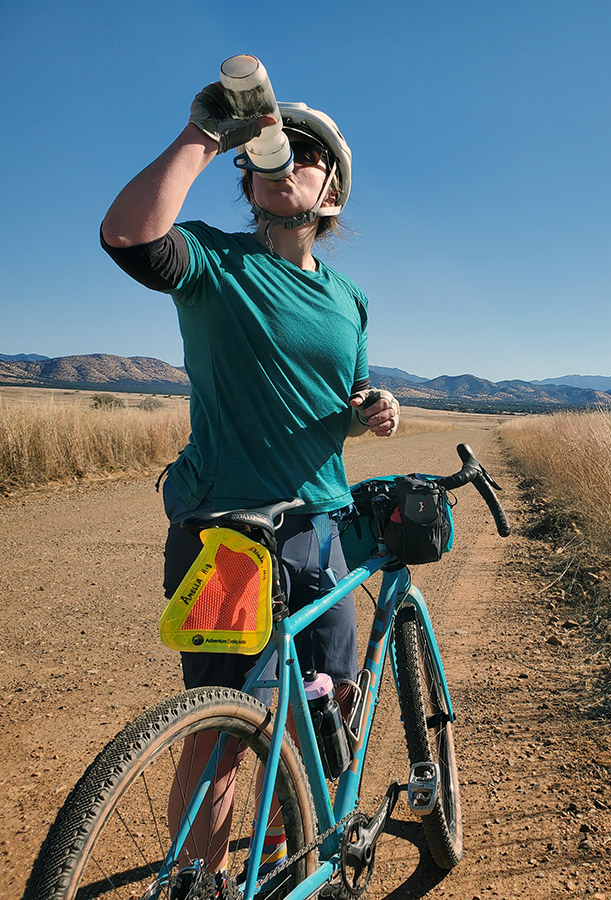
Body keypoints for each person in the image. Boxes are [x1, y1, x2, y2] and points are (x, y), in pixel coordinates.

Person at [100, 81, 399, 886]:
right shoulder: (213, 262)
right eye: (273, 151)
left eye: (308, 155)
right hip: (226, 530)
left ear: (330, 189)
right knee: (221, 730)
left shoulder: (349, 300)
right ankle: (196, 883)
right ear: (249, 176)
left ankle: (282, 857)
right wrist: (204, 133)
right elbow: (129, 234)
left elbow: (347, 397)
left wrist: (373, 408)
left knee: (324, 707)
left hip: (322, 527)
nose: (286, 161)